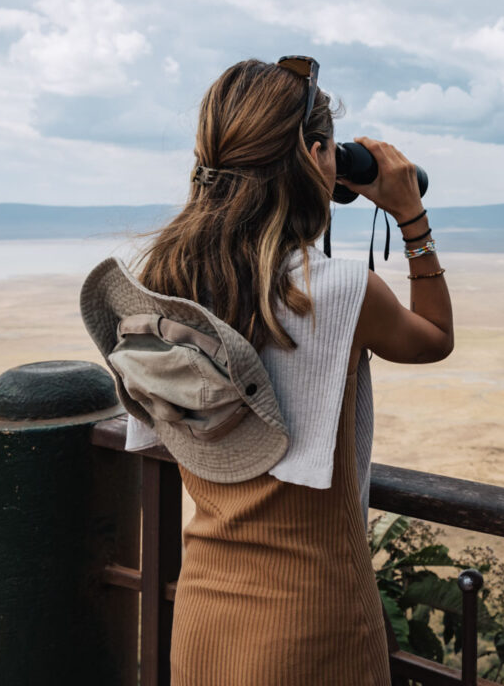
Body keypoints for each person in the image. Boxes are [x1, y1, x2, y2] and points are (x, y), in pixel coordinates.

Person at [94, 57, 452, 685]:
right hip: (314, 616)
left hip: (204, 607)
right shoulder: (337, 291)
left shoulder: (166, 287)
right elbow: (435, 339)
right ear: (318, 158)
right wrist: (410, 217)